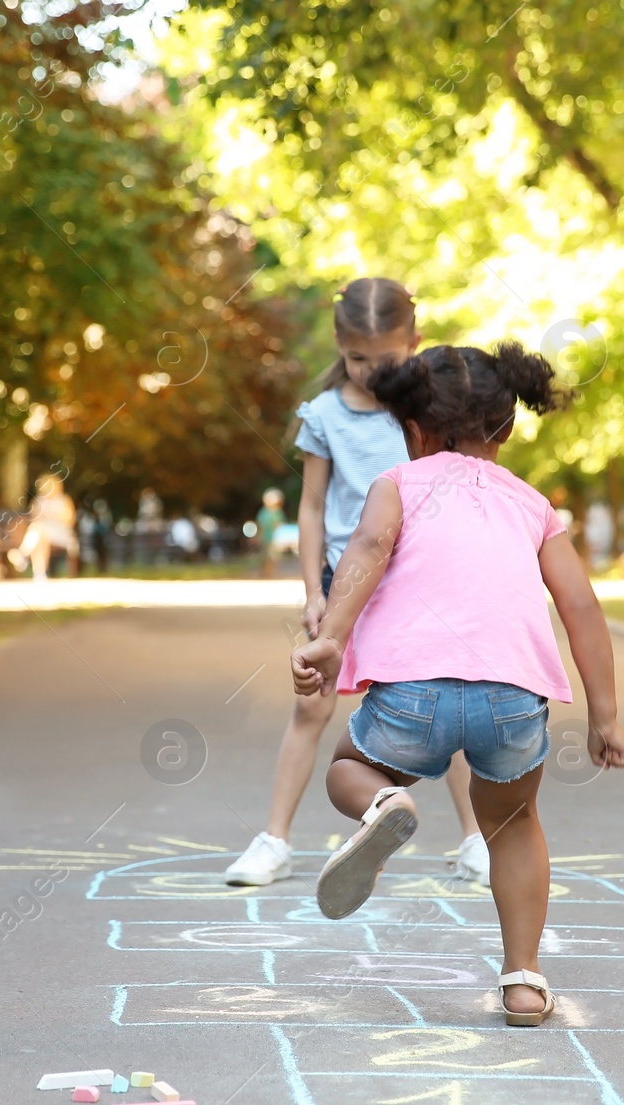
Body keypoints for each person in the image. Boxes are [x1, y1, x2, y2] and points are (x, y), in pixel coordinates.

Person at [290, 341, 624, 1027]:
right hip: (511, 698)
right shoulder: (533, 505)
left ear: (414, 429)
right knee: (512, 823)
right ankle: (525, 982)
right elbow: (581, 606)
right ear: (506, 427)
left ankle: (385, 801)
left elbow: (366, 550)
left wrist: (330, 634)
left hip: (414, 690)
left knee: (349, 769)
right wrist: (605, 714)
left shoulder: (398, 484)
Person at [225, 277, 493, 888]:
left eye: (387, 359)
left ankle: (476, 839)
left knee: (442, 713)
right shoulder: (323, 415)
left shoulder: (430, 411)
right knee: (310, 710)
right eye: (357, 359)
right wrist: (314, 590)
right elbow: (313, 508)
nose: (371, 372)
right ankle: (274, 841)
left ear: (415, 344)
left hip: (416, 580)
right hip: (343, 581)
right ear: (340, 348)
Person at [8, 473, 77, 581]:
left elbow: (70, 520)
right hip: (42, 533)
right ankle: (40, 574)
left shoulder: (64, 500)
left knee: (37, 530)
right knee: (40, 536)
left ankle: (23, 554)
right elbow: (33, 518)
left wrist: (54, 515)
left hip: (61, 534)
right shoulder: (38, 501)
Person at [256, 488, 286, 578]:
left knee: (273, 557)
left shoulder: (279, 513)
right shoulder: (263, 512)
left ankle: (271, 573)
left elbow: (281, 525)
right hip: (265, 538)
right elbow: (260, 525)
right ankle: (264, 572)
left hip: (275, 539)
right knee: (265, 556)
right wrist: (258, 536)